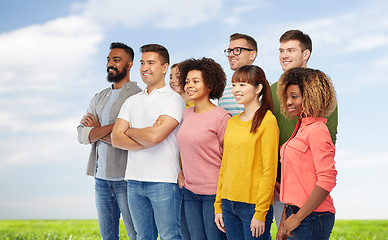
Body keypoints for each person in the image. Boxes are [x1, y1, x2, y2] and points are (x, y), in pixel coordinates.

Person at [111, 44, 185, 240]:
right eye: (143, 63)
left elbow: (155, 136)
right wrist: (147, 137)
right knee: (143, 237)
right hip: (134, 180)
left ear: (164, 67)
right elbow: (116, 138)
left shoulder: (174, 99)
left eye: (151, 63)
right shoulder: (132, 101)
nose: (145, 67)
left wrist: (130, 131)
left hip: (164, 181)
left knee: (170, 236)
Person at [270, 30, 338, 230]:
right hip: (282, 189)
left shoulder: (320, 99)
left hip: (307, 194)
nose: (284, 55)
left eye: (290, 50)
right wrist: (274, 178)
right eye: (281, 50)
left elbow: (327, 167)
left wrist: (298, 215)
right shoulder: (273, 90)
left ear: (306, 54)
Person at [77, 42, 141, 240]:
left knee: (136, 234)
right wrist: (113, 129)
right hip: (101, 179)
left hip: (126, 178)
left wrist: (96, 131)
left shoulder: (137, 95)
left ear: (129, 64)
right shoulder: (100, 96)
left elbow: (130, 135)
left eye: (116, 60)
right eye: (108, 60)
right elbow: (81, 134)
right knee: (107, 236)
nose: (110, 64)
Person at [215, 65, 279, 240]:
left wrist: (260, 213)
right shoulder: (232, 122)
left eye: (242, 85)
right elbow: (224, 167)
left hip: (253, 206)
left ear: (258, 88)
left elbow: (269, 170)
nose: (236, 90)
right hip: (228, 204)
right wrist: (218, 206)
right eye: (234, 84)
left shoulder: (268, 121)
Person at [176, 57, 231, 240]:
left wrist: (222, 199)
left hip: (214, 195)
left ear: (210, 84)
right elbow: (188, 148)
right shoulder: (187, 113)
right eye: (187, 82)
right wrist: (182, 171)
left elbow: (229, 160)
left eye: (195, 81)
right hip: (190, 192)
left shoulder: (222, 117)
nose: (189, 86)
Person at [169, 62, 192, 240]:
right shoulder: (169, 106)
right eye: (170, 77)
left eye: (177, 76)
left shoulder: (193, 107)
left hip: (191, 174)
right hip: (172, 174)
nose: (173, 80)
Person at [219, 33, 258, 116]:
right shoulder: (222, 90)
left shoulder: (265, 88)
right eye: (229, 51)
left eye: (237, 50)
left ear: (252, 55)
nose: (231, 55)